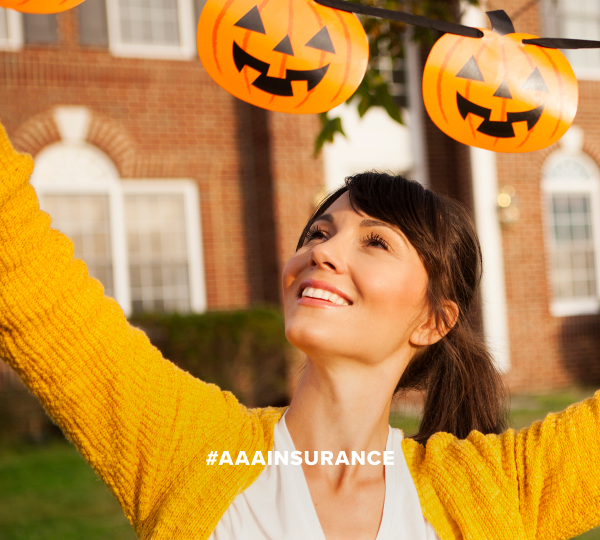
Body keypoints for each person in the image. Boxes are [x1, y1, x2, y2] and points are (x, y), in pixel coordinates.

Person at [0, 121, 599, 540]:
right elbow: (25, 272)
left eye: (375, 242)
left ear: (432, 320)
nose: (323, 252)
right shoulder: (190, 448)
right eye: (318, 232)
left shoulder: (495, 489)